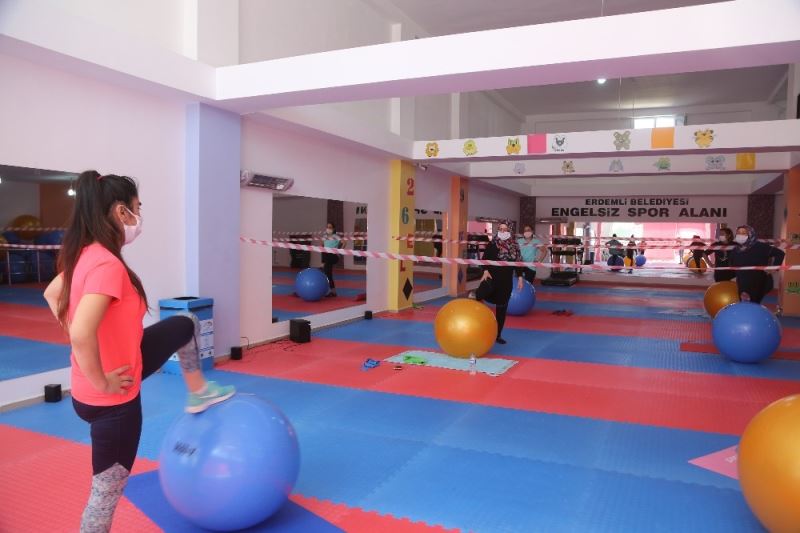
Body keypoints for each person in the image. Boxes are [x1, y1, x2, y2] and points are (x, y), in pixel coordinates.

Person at [42, 170, 235, 533]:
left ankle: (198, 392)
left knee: (186, 324)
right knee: (105, 495)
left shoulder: (86, 254)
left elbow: (52, 295)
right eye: (137, 208)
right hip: (113, 399)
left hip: (118, 369)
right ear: (121, 212)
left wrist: (93, 352)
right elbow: (81, 332)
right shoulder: (106, 264)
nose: (139, 217)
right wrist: (101, 380)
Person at [475, 222, 524, 345]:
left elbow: (518, 262)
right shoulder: (493, 243)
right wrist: (485, 271)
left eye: (505, 229)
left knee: (502, 308)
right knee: (479, 296)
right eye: (500, 229)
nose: (502, 231)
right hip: (491, 277)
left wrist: (520, 277)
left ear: (510, 231)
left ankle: (498, 335)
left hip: (505, 281)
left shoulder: (515, 245)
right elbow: (485, 258)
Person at [731, 225, 785, 303]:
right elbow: (732, 264)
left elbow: (780, 253)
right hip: (742, 282)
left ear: (750, 234)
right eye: (738, 233)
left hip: (758, 282)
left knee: (754, 303)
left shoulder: (760, 247)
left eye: (743, 233)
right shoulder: (736, 250)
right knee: (744, 303)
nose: (740, 235)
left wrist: (774, 268)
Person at [321, 223, 343, 297]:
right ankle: (333, 292)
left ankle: (332, 291)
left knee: (327, 272)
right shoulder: (324, 236)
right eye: (327, 227)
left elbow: (344, 242)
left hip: (333, 256)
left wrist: (339, 252)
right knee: (328, 273)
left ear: (333, 229)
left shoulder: (335, 236)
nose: (328, 228)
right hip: (326, 257)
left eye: (330, 227)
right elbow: (322, 245)